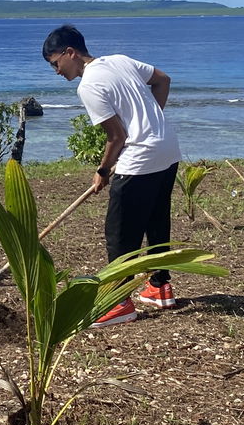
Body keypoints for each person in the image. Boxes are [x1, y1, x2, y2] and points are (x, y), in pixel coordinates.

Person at [43, 25, 182, 325]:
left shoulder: (88, 85)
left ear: (71, 53)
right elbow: (163, 80)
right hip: (168, 148)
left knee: (120, 232)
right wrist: (149, 121)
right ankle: (160, 287)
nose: (56, 72)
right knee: (157, 220)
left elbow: (116, 137)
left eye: (56, 63)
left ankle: (118, 302)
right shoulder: (119, 60)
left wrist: (102, 171)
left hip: (140, 158)